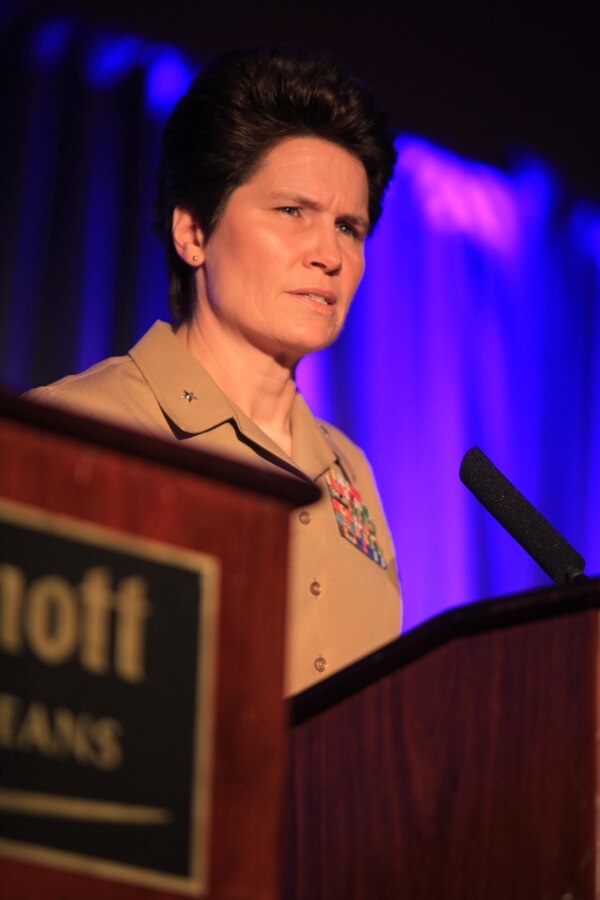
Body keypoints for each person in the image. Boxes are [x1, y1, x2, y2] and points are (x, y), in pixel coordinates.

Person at [26, 47, 401, 695]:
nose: (330, 254)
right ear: (194, 233)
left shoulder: (352, 473)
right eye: (292, 212)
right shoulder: (76, 428)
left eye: (349, 227)